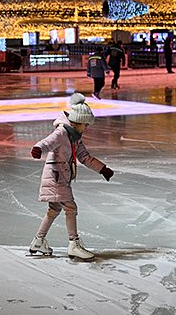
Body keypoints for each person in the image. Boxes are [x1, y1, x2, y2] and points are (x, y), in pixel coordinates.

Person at [29, 92, 115, 260]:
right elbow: (48, 141)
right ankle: (73, 244)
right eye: (86, 124)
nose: (87, 128)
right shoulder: (61, 133)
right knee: (71, 208)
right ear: (78, 122)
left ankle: (38, 241)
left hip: (60, 176)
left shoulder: (75, 137)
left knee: (54, 209)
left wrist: (102, 169)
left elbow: (84, 157)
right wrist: (38, 148)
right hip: (56, 177)